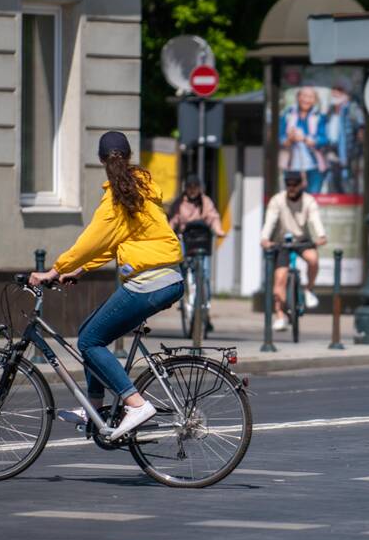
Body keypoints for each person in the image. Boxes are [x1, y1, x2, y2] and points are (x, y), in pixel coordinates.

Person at [29, 131, 184, 441]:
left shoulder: (117, 195)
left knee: (88, 341)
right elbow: (118, 240)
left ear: (101, 160)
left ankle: (135, 404)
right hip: (169, 278)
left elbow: (92, 239)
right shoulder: (141, 190)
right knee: (90, 330)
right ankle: (96, 410)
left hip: (148, 282)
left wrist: (55, 269)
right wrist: (82, 270)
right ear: (129, 155)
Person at [260, 170, 328, 331]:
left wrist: (321, 235)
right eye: (288, 184)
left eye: (295, 184)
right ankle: (280, 315)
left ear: (301, 185)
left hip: (302, 240)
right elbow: (270, 220)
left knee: (313, 259)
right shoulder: (277, 200)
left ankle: (309, 290)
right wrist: (264, 239)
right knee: (280, 279)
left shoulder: (308, 201)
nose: (291, 187)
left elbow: (315, 219)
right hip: (282, 242)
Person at [168, 174, 226, 328]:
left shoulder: (206, 201)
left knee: (205, 274)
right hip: (185, 238)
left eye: (195, 187)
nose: (193, 190)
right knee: (181, 265)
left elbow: (213, 217)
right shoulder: (179, 203)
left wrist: (218, 230)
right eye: (190, 187)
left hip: (201, 240)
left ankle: (205, 308)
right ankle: (184, 291)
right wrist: (168, 231)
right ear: (185, 188)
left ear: (200, 188)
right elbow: (173, 221)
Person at [279, 86, 329, 193]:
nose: (306, 99)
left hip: (314, 166)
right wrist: (290, 139)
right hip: (291, 165)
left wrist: (305, 139)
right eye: (304, 96)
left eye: (310, 97)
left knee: (313, 199)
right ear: (298, 97)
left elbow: (324, 139)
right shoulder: (287, 114)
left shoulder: (319, 116)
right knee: (294, 198)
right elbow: (279, 137)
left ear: (314, 100)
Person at [325, 82, 364, 194]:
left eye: (338, 94)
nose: (334, 97)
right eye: (333, 95)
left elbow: (361, 128)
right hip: (332, 150)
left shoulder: (352, 108)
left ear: (345, 95)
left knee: (347, 180)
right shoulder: (331, 110)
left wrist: (356, 149)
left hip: (348, 151)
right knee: (333, 180)